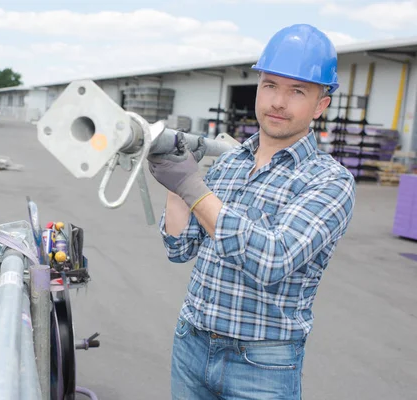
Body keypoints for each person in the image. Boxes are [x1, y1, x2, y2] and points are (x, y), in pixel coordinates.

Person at [147, 24, 356, 400]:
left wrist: (193, 187)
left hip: (262, 365)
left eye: (297, 91)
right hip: (191, 342)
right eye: (271, 85)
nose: (279, 101)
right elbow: (179, 250)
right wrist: (176, 185)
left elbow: (272, 258)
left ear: (321, 105)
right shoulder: (229, 162)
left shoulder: (329, 181)